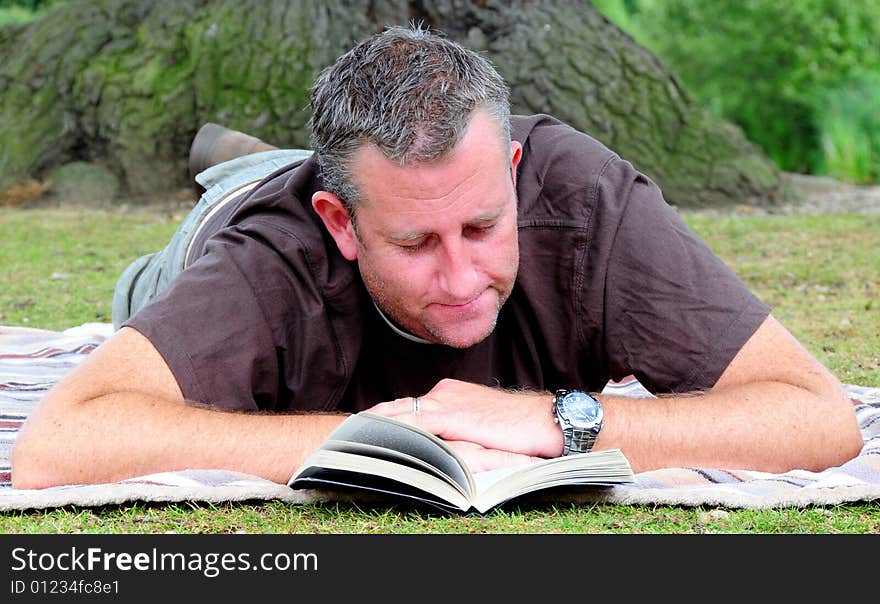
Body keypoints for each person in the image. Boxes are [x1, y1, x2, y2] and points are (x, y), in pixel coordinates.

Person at [12, 25, 862, 489]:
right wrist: (371, 438)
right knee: (219, 209)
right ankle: (237, 161)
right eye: (416, 244)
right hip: (223, 219)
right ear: (341, 226)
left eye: (484, 227)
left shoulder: (587, 201)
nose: (461, 281)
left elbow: (817, 417)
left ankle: (258, 153)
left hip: (351, 181)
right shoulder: (270, 261)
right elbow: (61, 442)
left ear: (514, 175)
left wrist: (564, 421)